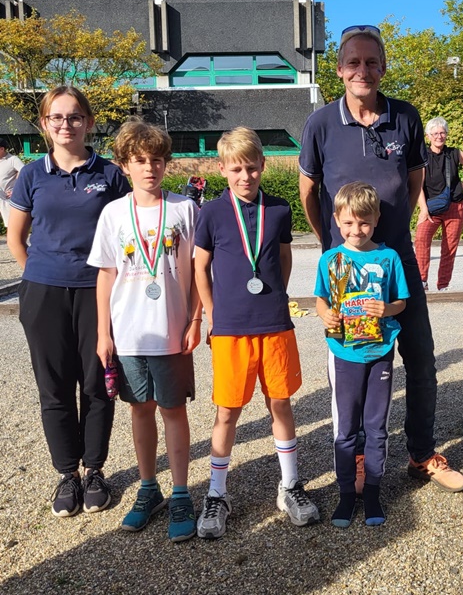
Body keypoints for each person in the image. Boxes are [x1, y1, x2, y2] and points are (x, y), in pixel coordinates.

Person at [299, 25, 463, 493]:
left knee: (422, 360)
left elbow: (413, 182)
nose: (363, 70)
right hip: (346, 269)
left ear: (384, 68)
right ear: (339, 70)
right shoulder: (321, 123)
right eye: (354, 62)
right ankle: (358, 459)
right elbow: (309, 192)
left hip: (396, 261)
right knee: (354, 366)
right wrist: (332, 245)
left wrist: (391, 237)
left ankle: (421, 455)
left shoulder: (406, 117)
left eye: (372, 62)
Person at [7, 86, 131, 517]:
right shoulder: (31, 175)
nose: (66, 125)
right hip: (43, 293)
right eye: (56, 117)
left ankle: (94, 470)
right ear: (44, 124)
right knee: (54, 386)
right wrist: (40, 275)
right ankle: (67, 474)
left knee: (97, 383)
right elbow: (16, 238)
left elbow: (126, 233)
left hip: (98, 292)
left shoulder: (110, 175)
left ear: (88, 122)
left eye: (74, 117)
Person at [195, 126, 319, 539]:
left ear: (263, 165)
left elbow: (283, 258)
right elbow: (200, 267)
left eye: (251, 168)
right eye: (236, 169)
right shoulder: (212, 212)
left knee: (280, 403)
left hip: (274, 324)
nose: (245, 176)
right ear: (222, 169)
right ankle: (217, 493)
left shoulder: (279, 209)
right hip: (230, 328)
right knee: (227, 411)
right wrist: (212, 314)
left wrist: (278, 296)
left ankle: (290, 486)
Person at [87, 119, 202, 542]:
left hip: (172, 330)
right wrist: (104, 333)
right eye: (139, 160)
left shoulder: (185, 209)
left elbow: (198, 271)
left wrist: (196, 319)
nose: (149, 168)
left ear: (166, 163)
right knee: (140, 409)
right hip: (129, 332)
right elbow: (106, 275)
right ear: (124, 166)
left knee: (173, 410)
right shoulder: (113, 213)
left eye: (156, 160)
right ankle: (149, 487)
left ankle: (181, 492)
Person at [315, 182, 409, 527]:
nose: (357, 230)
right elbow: (321, 298)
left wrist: (387, 309)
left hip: (380, 351)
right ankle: (345, 493)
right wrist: (325, 314)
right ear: (337, 220)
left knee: (376, 427)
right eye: (349, 223)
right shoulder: (330, 259)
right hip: (344, 353)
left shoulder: (389, 257)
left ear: (376, 220)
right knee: (345, 430)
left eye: (364, 222)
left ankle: (371, 491)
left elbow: (401, 301)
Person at [415, 116, 463, 292]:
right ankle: (421, 281)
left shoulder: (454, 153)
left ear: (446, 134)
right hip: (431, 208)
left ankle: (443, 285)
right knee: (421, 240)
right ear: (428, 136)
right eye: (435, 133)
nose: (439, 136)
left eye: (442, 132)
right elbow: (417, 185)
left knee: (449, 247)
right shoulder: (422, 156)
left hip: (455, 206)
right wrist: (423, 209)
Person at [0, 138, 24, 229]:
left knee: (11, 225)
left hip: (7, 199)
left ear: (2, 149)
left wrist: (16, 188)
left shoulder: (12, 160)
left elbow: (25, 173)